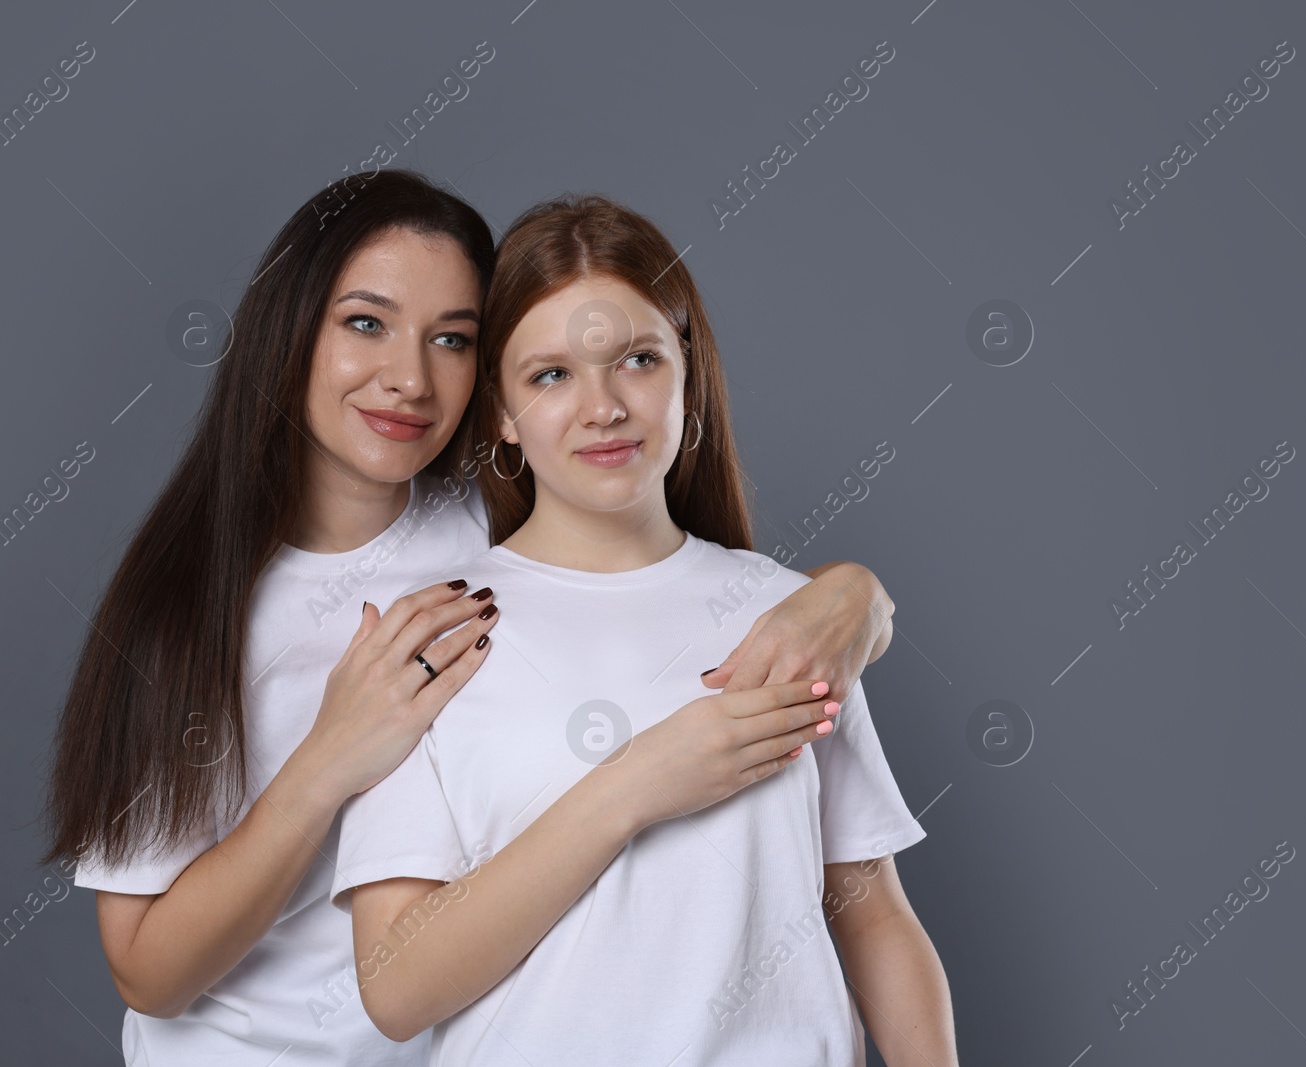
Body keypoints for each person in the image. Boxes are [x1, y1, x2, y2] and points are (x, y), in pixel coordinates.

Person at [42, 170, 900, 1066]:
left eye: (451, 339)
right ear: (287, 331)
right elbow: (148, 974)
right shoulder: (192, 605)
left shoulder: (492, 524)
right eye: (364, 323)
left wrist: (855, 592)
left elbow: (674, 579)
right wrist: (328, 761)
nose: (408, 378)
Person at [335, 193, 957, 1066]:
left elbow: (875, 914)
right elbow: (396, 990)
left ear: (686, 373)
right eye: (550, 375)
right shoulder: (441, 628)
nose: (603, 407)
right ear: (503, 415)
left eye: (636, 359)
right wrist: (633, 785)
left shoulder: (790, 617)